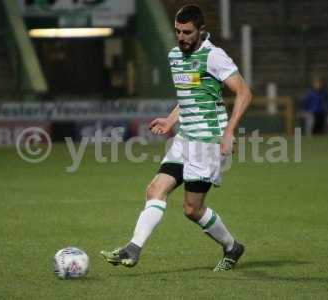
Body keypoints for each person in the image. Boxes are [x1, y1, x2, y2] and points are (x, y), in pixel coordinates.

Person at [101, 5, 252, 271]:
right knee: (154, 190)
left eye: (187, 32)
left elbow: (244, 93)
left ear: (201, 31)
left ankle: (232, 247)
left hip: (207, 142)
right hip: (184, 139)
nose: (181, 37)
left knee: (192, 210)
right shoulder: (174, 55)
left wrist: (229, 132)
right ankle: (133, 248)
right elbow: (190, 96)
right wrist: (171, 120)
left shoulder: (214, 57)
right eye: (177, 31)